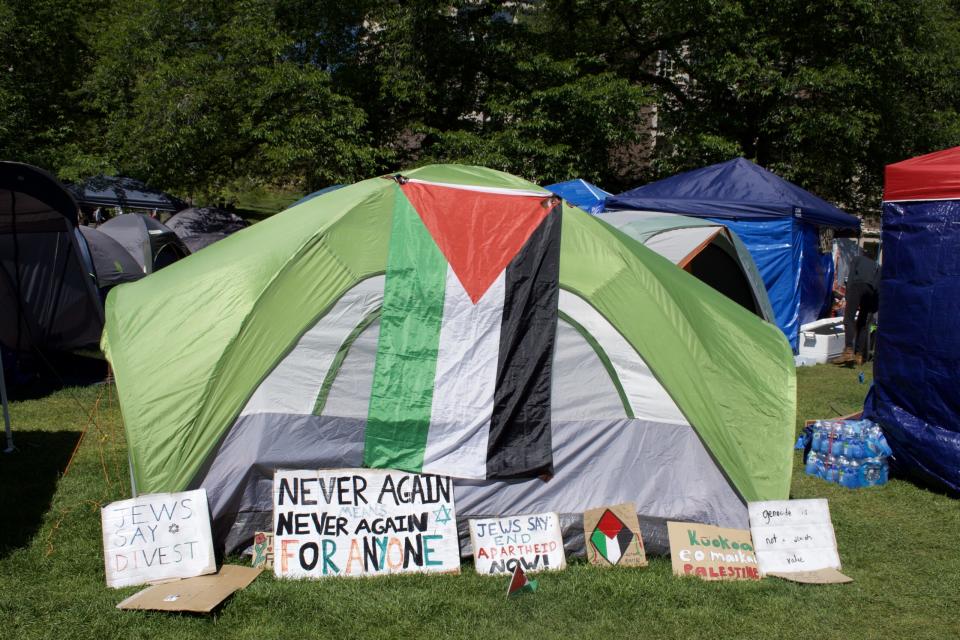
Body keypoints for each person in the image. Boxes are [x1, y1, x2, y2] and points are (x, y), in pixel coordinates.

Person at [832, 245, 880, 366]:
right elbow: (879, 288)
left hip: (857, 286)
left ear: (864, 253)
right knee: (863, 323)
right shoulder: (878, 266)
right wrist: (874, 307)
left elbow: (852, 276)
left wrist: (848, 296)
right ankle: (859, 355)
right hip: (871, 292)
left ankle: (848, 351)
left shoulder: (857, 259)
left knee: (848, 318)